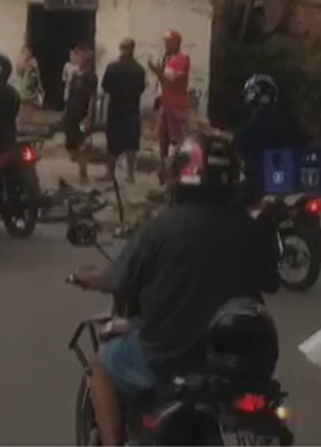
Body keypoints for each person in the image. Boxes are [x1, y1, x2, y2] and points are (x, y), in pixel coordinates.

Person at [68, 132, 279, 446]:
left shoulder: (162, 227)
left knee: (102, 362)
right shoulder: (250, 229)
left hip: (169, 357)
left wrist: (85, 276)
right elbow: (270, 282)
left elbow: (118, 279)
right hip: (238, 364)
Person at [232, 74, 309, 201]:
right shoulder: (287, 122)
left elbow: (237, 144)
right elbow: (303, 141)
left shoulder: (252, 126)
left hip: (261, 186)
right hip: (290, 186)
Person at [100, 39, 146, 184]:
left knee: (113, 143)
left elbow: (105, 86)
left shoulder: (113, 67)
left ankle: (110, 173)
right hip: (132, 109)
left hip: (116, 109)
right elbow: (141, 89)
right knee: (131, 144)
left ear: (121, 49)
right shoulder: (139, 69)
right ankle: (130, 175)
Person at [148, 30, 190, 183]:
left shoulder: (182, 59)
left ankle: (175, 172)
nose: (165, 44)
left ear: (176, 43)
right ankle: (164, 170)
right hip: (165, 103)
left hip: (176, 105)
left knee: (176, 140)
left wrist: (157, 70)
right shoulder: (166, 58)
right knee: (162, 138)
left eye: (168, 41)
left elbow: (173, 80)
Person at [63, 44, 98, 185]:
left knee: (83, 142)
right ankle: (79, 167)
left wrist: (89, 117)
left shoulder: (90, 76)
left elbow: (92, 98)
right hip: (71, 115)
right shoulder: (75, 75)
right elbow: (70, 95)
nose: (76, 58)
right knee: (72, 144)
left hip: (83, 116)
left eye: (79, 55)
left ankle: (83, 173)